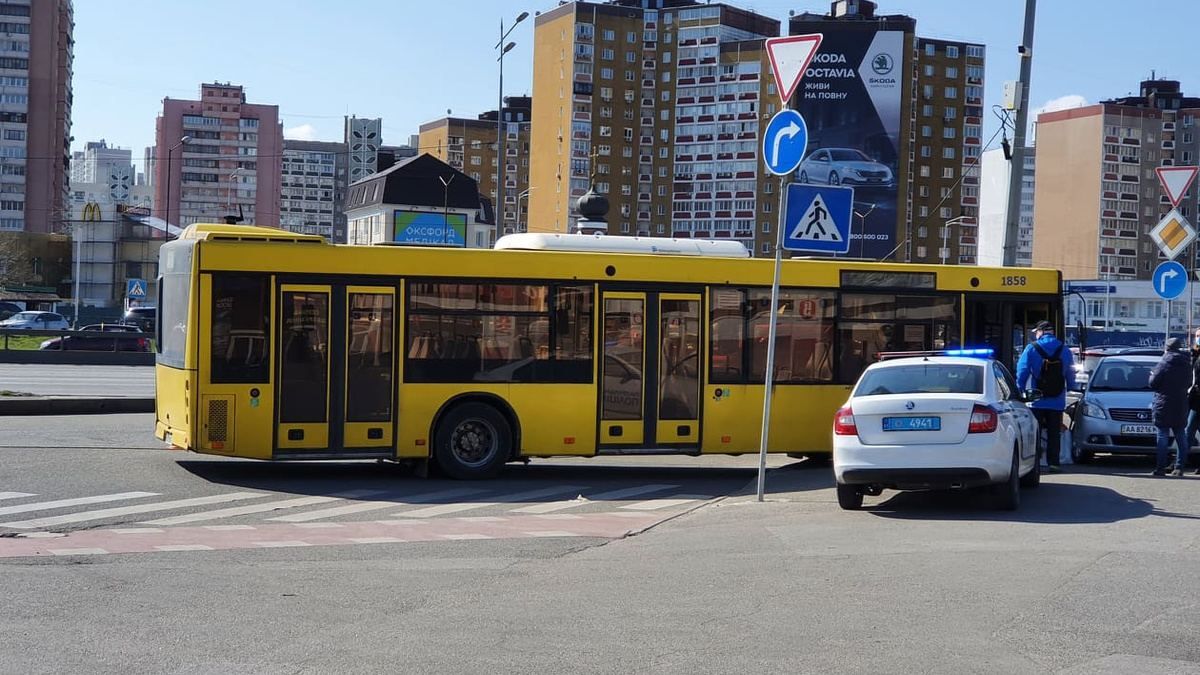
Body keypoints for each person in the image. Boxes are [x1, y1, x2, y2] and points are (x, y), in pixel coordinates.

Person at [1016, 320, 1077, 473]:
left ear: (1041, 332)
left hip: (1036, 400)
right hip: (1057, 400)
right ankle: (1054, 464)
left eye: (1036, 332)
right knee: (1054, 433)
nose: (1035, 335)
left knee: (1034, 434)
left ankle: (1034, 464)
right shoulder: (1064, 350)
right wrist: (1070, 387)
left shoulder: (1031, 348)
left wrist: (1019, 389)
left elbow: (1022, 371)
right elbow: (1070, 372)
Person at [1150, 336, 1192, 477]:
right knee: (1181, 435)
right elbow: (1188, 383)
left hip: (1164, 402)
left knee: (1162, 435)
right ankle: (1179, 467)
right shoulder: (1187, 363)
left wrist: (1152, 375)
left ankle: (1160, 468)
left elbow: (1153, 383)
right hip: (1180, 403)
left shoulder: (1164, 362)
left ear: (1167, 348)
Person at [1186, 328, 1200, 475]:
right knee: (1188, 431)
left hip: (1197, 400)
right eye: (1196, 336)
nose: (1198, 338)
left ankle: (1178, 463)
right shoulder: (1194, 354)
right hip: (1193, 399)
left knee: (1188, 431)